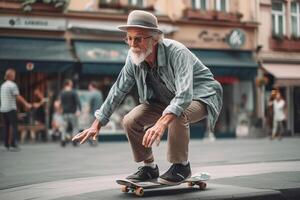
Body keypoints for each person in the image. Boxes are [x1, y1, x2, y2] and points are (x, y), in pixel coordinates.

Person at [73, 10, 223, 185]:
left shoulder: (177, 52)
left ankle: (181, 166)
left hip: (201, 96)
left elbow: (183, 96)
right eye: (128, 38)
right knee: (130, 120)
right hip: (164, 100)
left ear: (155, 38)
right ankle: (149, 168)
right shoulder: (133, 57)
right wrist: (96, 124)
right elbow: (118, 90)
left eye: (138, 38)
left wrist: (160, 123)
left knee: (177, 113)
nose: (132, 44)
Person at [0, 68, 31, 151]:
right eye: (14, 75)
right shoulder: (12, 85)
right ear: (11, 76)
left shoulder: (2, 86)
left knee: (6, 127)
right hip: (10, 108)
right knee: (14, 126)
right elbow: (18, 96)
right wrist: (26, 104)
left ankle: (6, 144)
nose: (15, 76)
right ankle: (13, 144)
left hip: (3, 109)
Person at [59, 79, 81, 147]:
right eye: (71, 83)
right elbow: (78, 101)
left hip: (64, 113)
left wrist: (60, 110)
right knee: (75, 126)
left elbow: (60, 103)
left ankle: (63, 140)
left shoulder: (62, 92)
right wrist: (79, 110)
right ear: (69, 84)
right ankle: (74, 140)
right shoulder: (73, 92)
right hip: (72, 112)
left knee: (64, 127)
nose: (72, 84)